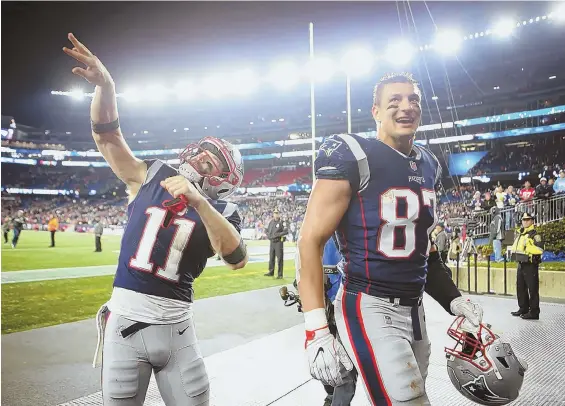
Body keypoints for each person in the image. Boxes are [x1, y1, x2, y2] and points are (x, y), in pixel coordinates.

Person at [64, 33, 247, 406]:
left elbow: (236, 258)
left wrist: (198, 202)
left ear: (222, 181)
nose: (198, 161)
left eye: (210, 163)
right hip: (126, 327)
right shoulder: (153, 175)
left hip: (177, 330)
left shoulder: (223, 211)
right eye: (201, 154)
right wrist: (106, 86)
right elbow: (108, 139)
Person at [296, 73, 485, 405]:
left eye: (413, 100)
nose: (406, 107)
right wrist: (316, 329)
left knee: (415, 394)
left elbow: (421, 248)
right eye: (394, 101)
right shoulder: (353, 153)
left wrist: (453, 299)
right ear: (376, 112)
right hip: (369, 303)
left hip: (415, 309)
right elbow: (309, 240)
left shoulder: (428, 163)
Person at [509, 212, 543, 320]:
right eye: (524, 220)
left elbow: (540, 249)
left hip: (530, 264)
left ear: (532, 221)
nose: (525, 221)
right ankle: (523, 308)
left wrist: (528, 246)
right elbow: (516, 247)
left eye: (528, 219)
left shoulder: (535, 235)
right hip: (521, 263)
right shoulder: (521, 234)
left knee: (532, 289)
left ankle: (534, 312)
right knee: (521, 288)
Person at [265, 208, 287, 279]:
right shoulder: (271, 222)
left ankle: (280, 274)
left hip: (278, 242)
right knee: (271, 257)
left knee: (279, 258)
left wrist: (277, 234)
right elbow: (268, 230)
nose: (276, 214)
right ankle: (271, 272)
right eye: (275, 213)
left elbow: (285, 231)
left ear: (279, 214)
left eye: (277, 213)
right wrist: (268, 235)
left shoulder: (282, 222)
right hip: (272, 242)